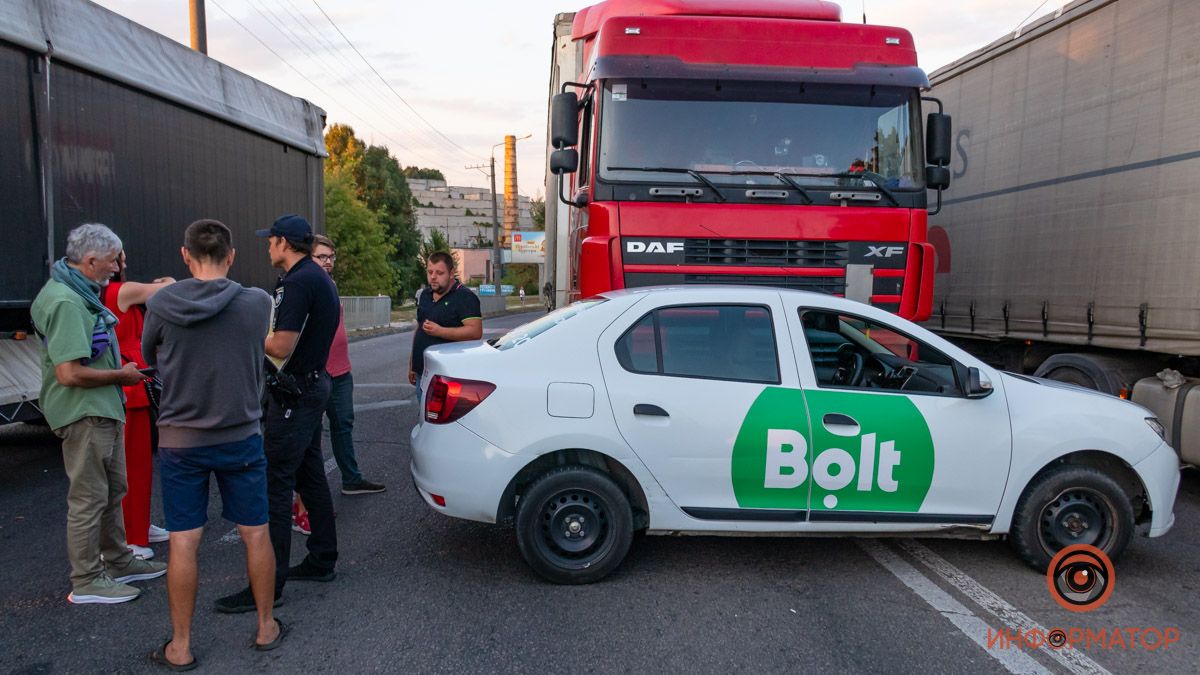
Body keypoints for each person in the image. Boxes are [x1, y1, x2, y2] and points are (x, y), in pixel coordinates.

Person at [142, 220, 283, 668]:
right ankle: (265, 627)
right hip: (240, 436)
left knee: (184, 541)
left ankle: (180, 646)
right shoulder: (257, 303)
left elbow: (149, 356)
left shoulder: (162, 303)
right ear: (232, 255)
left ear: (185, 255)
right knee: (255, 533)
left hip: (180, 441)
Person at [31, 223, 166, 605]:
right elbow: (69, 372)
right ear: (90, 261)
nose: (116, 268)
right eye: (111, 261)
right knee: (89, 498)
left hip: (101, 410)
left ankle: (120, 560)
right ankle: (87, 579)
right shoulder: (66, 302)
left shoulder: (77, 291)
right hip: (84, 412)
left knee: (112, 491)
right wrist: (121, 375)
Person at [216, 214, 340, 613]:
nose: (267, 247)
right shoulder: (314, 277)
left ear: (284, 242)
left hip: (296, 393)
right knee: (309, 475)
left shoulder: (299, 281)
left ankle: (268, 586)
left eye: (270, 241)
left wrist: (243, 333)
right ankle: (322, 560)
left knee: (275, 483)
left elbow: (282, 346)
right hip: (310, 386)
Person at [291, 236, 383, 534]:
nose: (328, 261)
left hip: (341, 370)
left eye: (331, 256)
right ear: (308, 258)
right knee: (309, 437)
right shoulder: (303, 286)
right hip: (316, 373)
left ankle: (351, 479)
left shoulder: (330, 285)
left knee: (343, 423)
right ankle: (303, 500)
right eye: (321, 257)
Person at [100, 251, 174, 559]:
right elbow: (170, 289)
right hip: (130, 381)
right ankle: (131, 536)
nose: (122, 265)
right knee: (131, 466)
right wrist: (167, 281)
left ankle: (138, 526)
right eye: (118, 259)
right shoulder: (120, 291)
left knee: (138, 464)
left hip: (133, 378)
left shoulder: (113, 292)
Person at [409, 251, 483, 399]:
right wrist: (412, 364)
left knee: (441, 419)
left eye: (439, 273)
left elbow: (475, 332)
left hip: (447, 376)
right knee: (424, 417)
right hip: (422, 371)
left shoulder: (465, 297)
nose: (433, 277)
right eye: (430, 272)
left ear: (451, 273)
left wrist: (440, 331)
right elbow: (419, 329)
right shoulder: (425, 295)